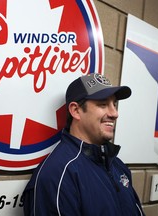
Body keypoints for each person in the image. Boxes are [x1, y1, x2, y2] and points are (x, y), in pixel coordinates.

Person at [23, 73, 145, 216]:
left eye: (114, 104)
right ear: (76, 111)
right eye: (103, 104)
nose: (114, 113)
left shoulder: (118, 166)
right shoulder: (57, 174)